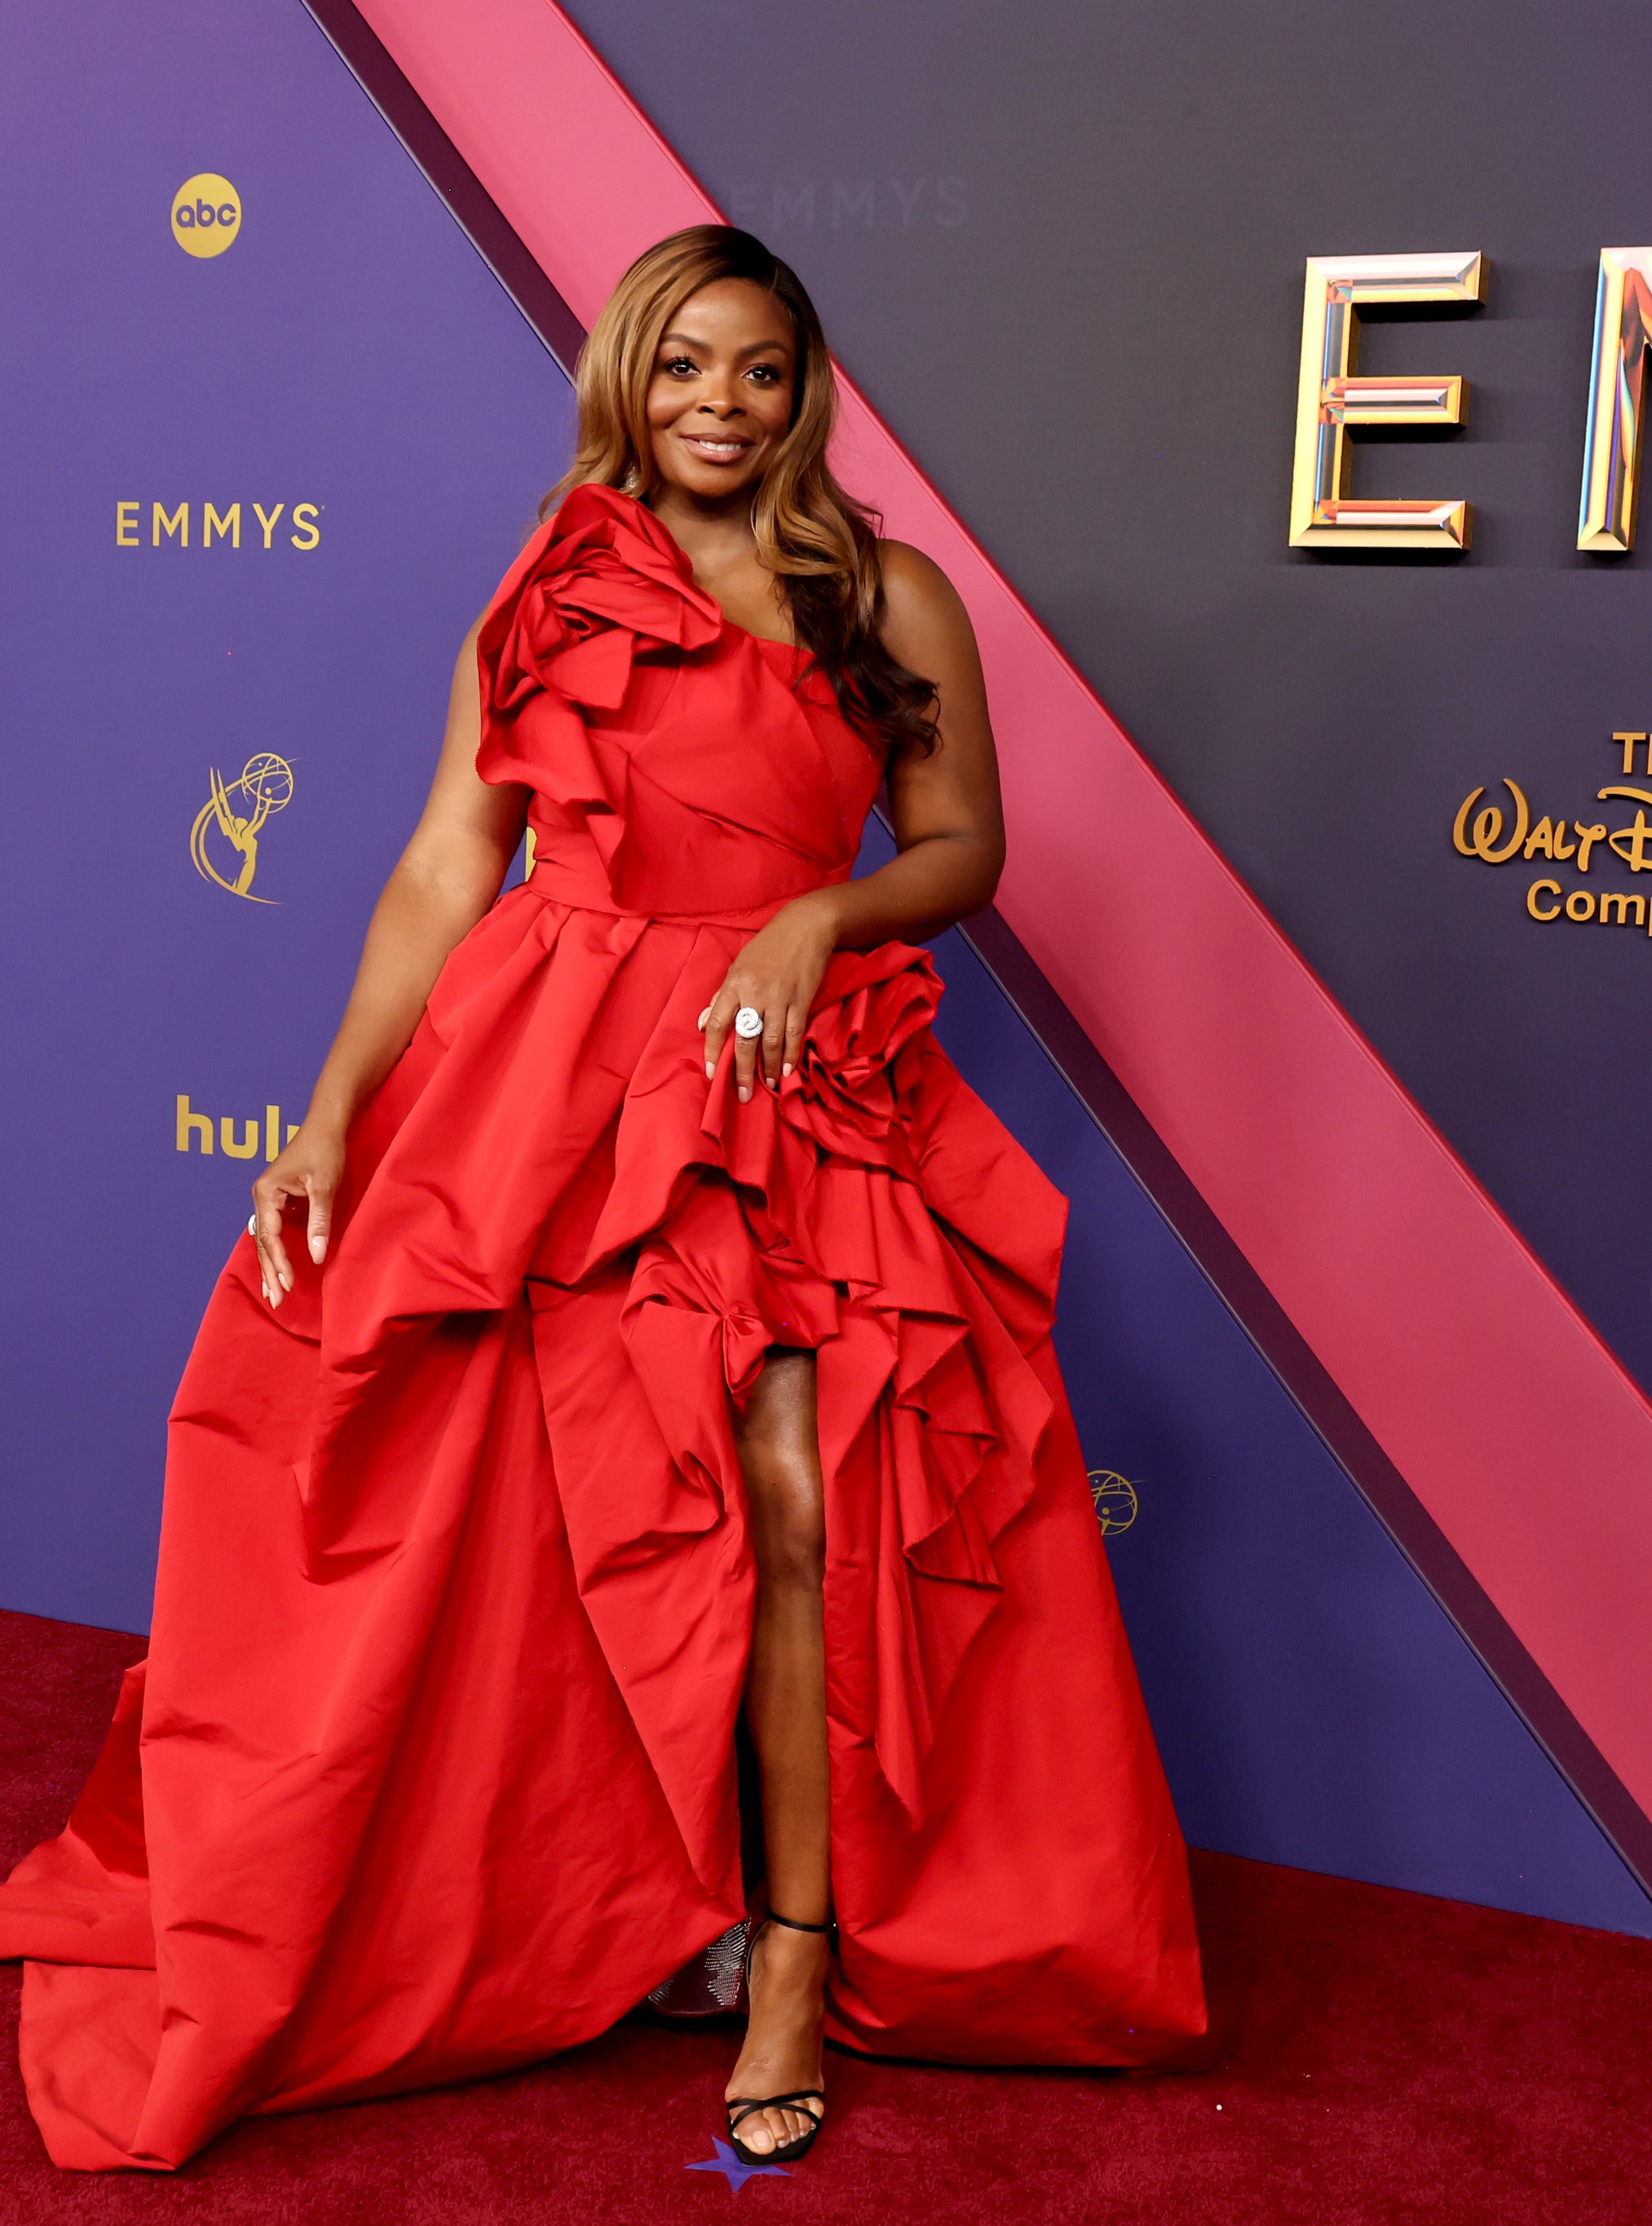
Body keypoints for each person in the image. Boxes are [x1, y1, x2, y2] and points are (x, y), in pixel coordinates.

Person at [0, 226, 1205, 2174]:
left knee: (802, 1494)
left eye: (758, 369)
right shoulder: (547, 592)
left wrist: (822, 914)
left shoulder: (886, 595)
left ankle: (795, 1955)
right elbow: (434, 871)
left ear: (806, 385)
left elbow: (964, 845)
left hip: (770, 1072)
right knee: (558, 1496)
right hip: (549, 1076)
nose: (719, 407)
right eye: (681, 368)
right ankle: (644, 1902)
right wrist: (325, 1111)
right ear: (623, 382)